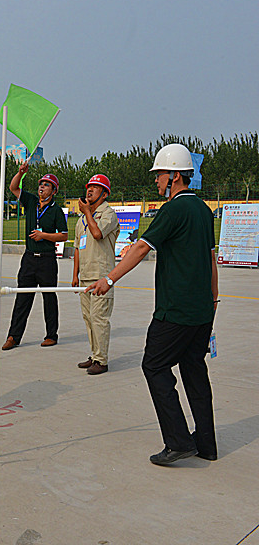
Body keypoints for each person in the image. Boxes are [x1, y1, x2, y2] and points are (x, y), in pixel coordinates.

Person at [88, 143, 218, 466]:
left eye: (159, 174)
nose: (156, 180)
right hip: (203, 311)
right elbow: (211, 260)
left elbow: (141, 248)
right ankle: (206, 444)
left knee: (154, 366)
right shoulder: (204, 211)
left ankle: (178, 441)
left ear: (175, 176)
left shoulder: (172, 210)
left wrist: (109, 279)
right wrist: (213, 300)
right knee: (194, 371)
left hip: (175, 311)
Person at [2, 163, 68, 350]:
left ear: (53, 191)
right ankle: (13, 336)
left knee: (49, 298)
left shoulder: (56, 210)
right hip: (29, 258)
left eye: (46, 185)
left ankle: (51, 335)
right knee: (22, 298)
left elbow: (63, 235)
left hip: (47, 259)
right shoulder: (31, 201)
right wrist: (20, 173)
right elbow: (13, 187)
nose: (42, 187)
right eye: (41, 184)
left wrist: (44, 235)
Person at [72, 174, 119, 375]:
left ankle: (101, 360)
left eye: (95, 187)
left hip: (101, 276)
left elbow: (98, 234)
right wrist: (75, 275)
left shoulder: (108, 214)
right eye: (89, 187)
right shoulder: (82, 219)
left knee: (99, 318)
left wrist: (87, 213)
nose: (89, 190)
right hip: (85, 276)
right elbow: (77, 247)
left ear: (104, 193)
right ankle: (94, 354)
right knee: (88, 319)